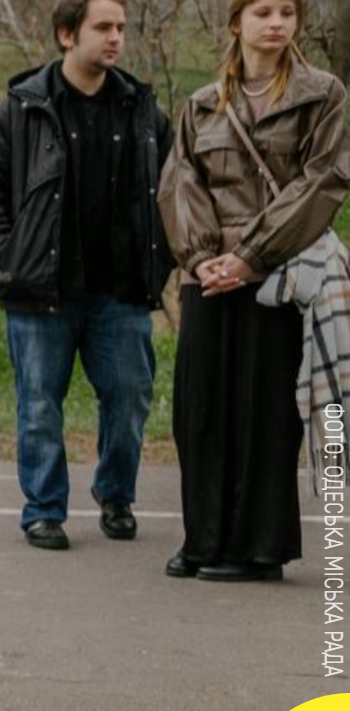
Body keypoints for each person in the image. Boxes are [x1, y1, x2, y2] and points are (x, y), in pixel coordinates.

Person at [0, 0, 173, 552]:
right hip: (40, 291)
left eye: (121, 28)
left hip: (120, 290)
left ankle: (116, 496)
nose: (116, 38)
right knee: (38, 407)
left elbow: (176, 193)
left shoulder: (142, 110)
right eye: (103, 27)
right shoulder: (22, 109)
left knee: (129, 400)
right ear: (65, 34)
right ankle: (44, 510)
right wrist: (8, 255)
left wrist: (165, 259)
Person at [159, 0, 349, 582]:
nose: (277, 22)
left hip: (279, 271)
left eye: (287, 11)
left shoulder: (324, 95)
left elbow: (323, 180)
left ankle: (258, 549)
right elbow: (178, 183)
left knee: (265, 410)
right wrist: (201, 258)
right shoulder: (202, 104)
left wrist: (250, 256)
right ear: (236, 22)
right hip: (209, 275)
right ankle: (204, 539)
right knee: (201, 409)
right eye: (263, 10)